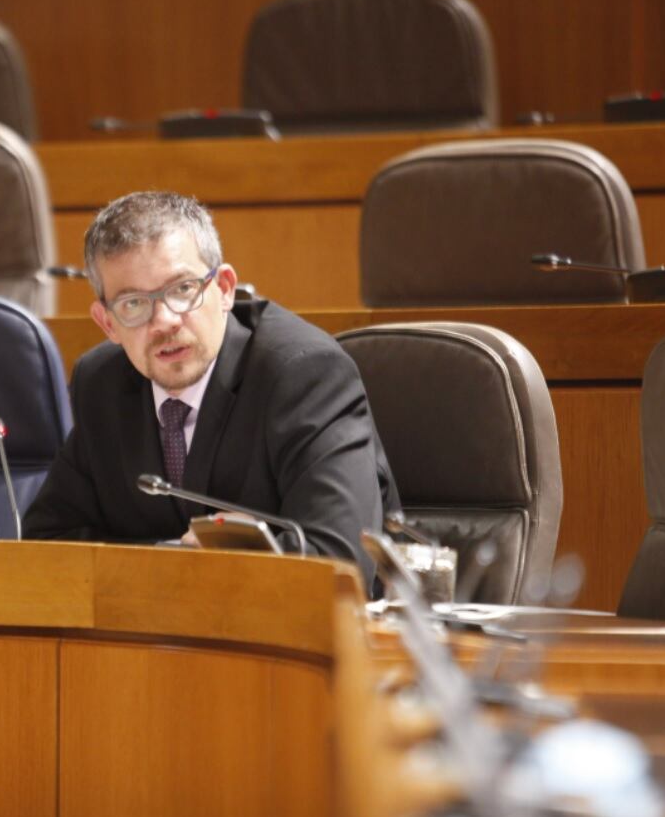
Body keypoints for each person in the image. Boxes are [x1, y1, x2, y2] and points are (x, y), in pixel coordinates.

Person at [23, 191, 398, 583]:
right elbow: (47, 543)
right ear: (107, 323)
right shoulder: (100, 384)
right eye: (133, 304)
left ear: (224, 288)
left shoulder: (304, 375)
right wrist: (178, 557)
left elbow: (339, 563)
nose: (164, 320)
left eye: (183, 289)